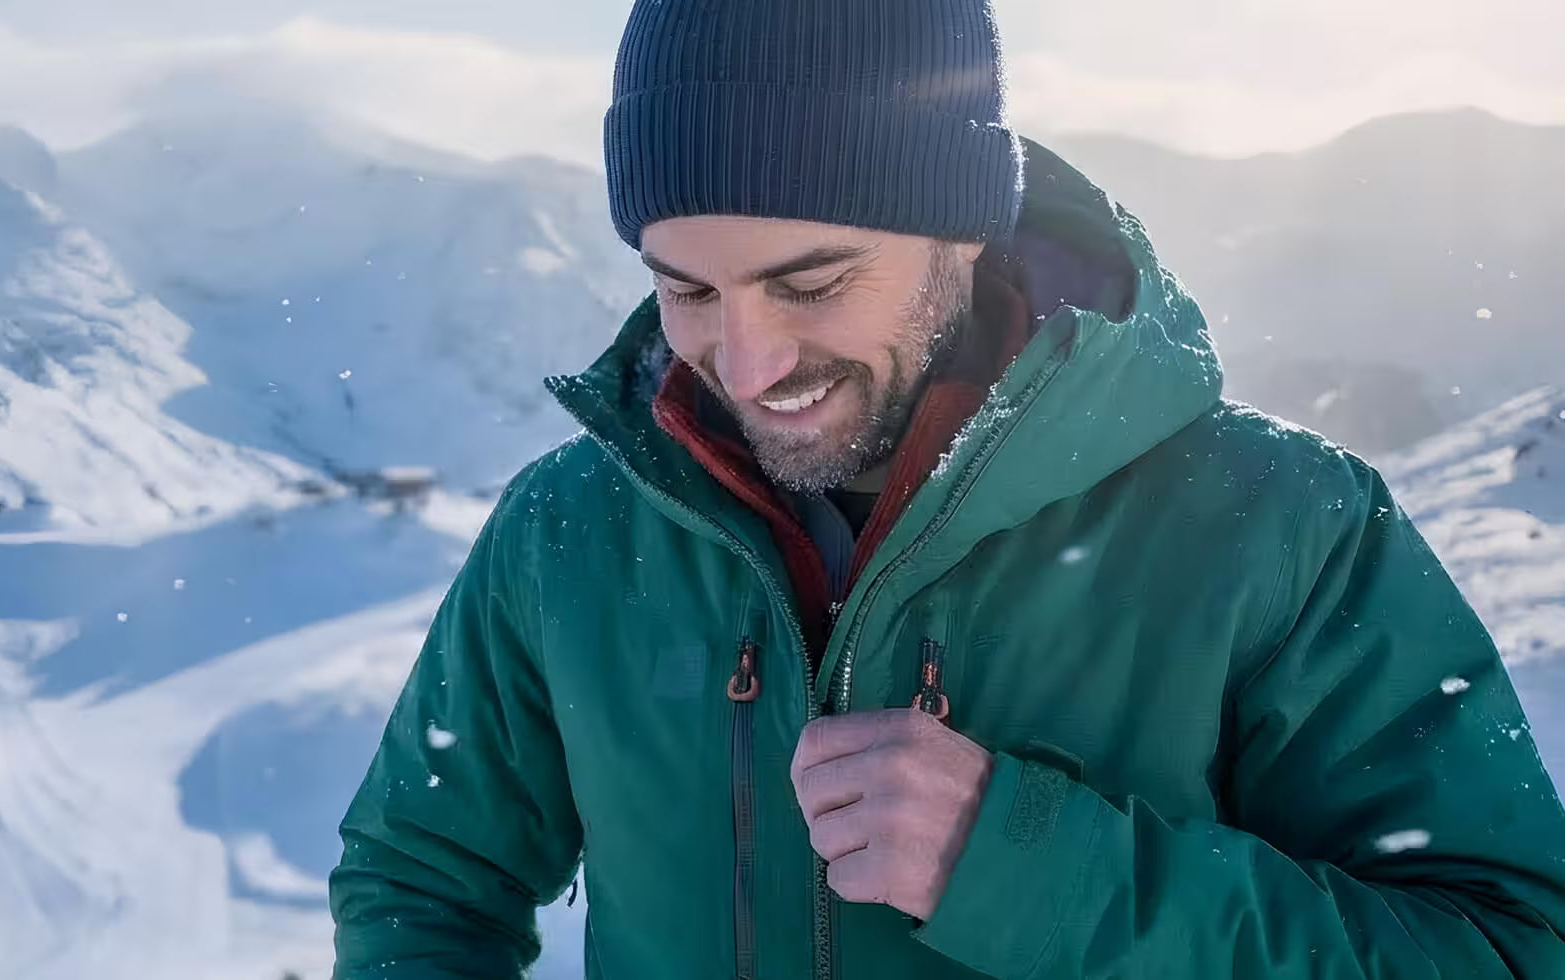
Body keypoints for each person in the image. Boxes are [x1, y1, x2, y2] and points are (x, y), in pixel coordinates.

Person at [328, 0, 1565, 976]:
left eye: (810, 282)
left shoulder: (1282, 528)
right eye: (688, 290)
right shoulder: (572, 531)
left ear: (964, 228)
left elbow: (1504, 947)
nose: (746, 363)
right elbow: (423, 882)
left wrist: (1032, 868)